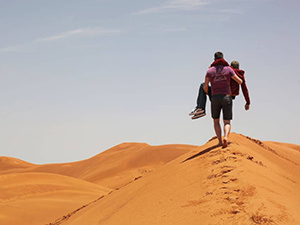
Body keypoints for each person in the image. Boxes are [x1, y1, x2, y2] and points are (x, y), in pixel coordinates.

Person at [203, 52, 242, 147]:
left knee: (216, 121)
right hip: (227, 97)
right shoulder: (228, 69)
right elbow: (239, 81)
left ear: (214, 59)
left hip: (215, 97)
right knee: (227, 121)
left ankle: (220, 141)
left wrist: (209, 93)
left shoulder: (210, 71)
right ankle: (226, 137)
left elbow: (205, 86)